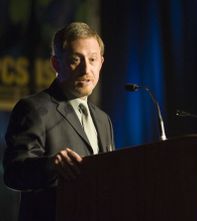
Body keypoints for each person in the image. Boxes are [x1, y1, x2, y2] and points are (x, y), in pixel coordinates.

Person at [3, 22, 115, 221]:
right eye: (75, 60)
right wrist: (51, 166)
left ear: (101, 63)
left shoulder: (102, 119)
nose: (86, 69)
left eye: (92, 59)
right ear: (56, 64)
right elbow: (14, 172)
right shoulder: (33, 109)